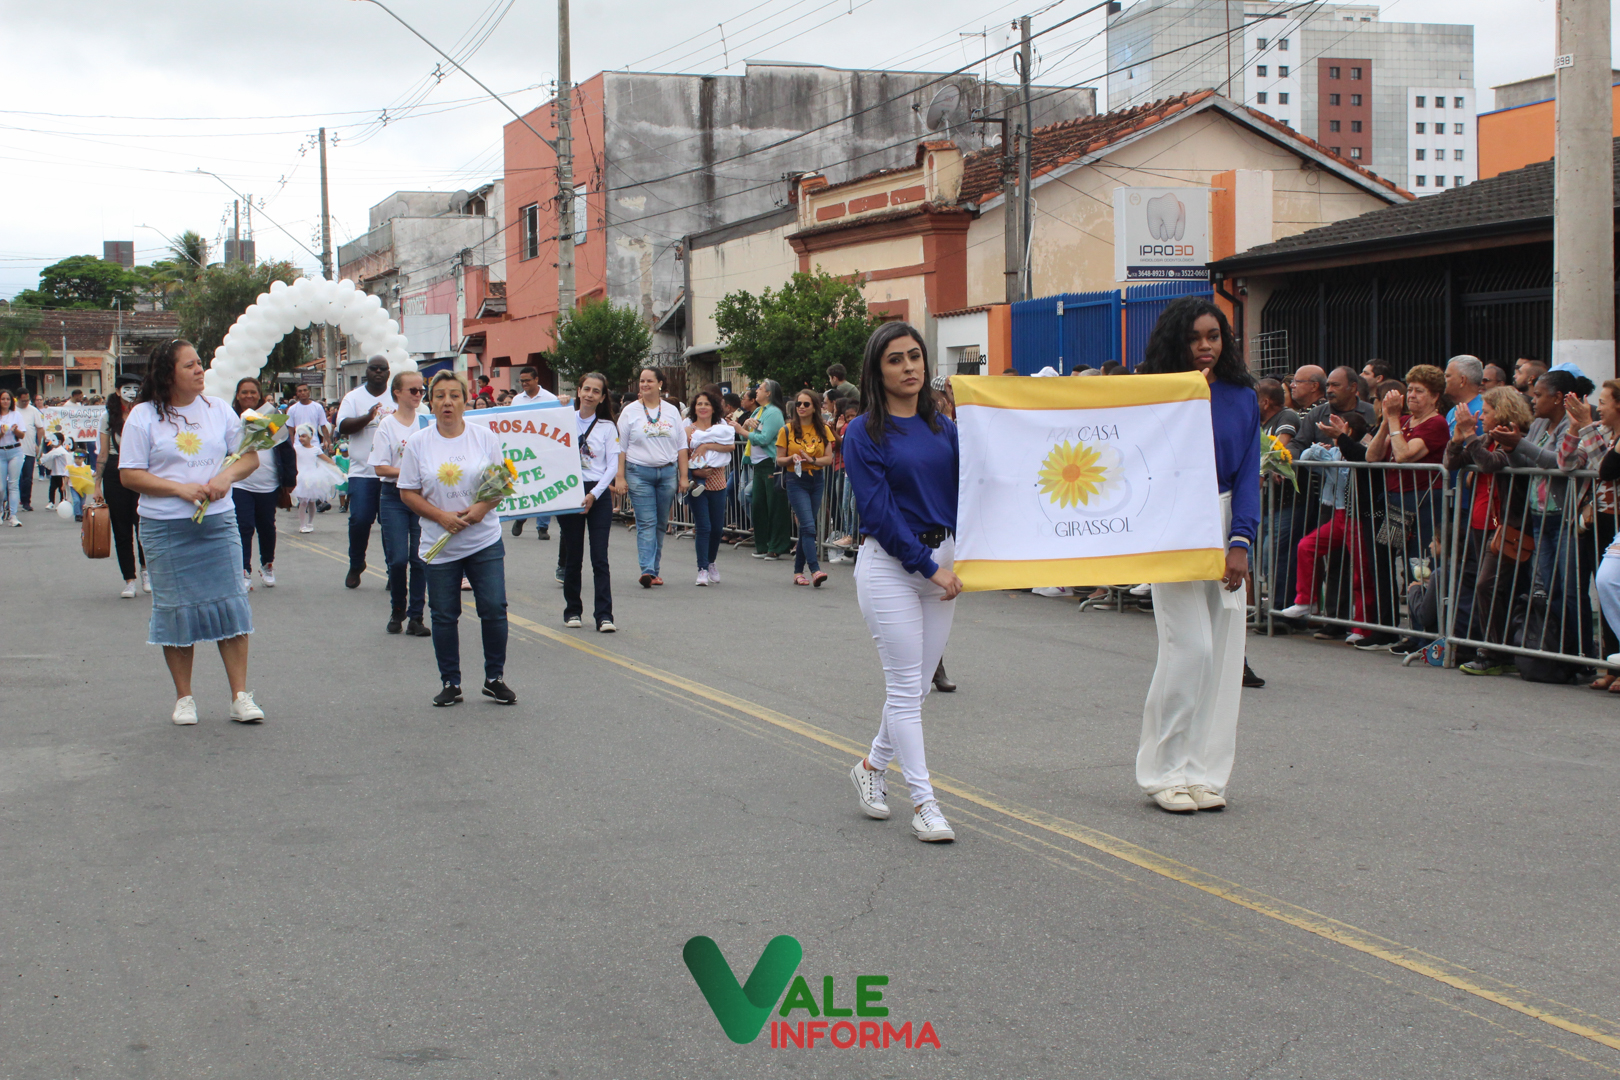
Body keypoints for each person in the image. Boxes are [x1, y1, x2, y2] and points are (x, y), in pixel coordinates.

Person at [1133, 297, 1258, 814]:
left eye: (1214, 336)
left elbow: (1248, 473)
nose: (1206, 346)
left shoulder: (1242, 396)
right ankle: (1163, 772)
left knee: (1225, 657)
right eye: (1194, 338)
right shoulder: (1153, 394)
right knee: (1191, 649)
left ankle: (1204, 772)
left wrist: (1241, 541)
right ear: (1176, 342)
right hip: (1174, 523)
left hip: (1226, 521)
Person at [842, 322, 960, 843]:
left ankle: (872, 766)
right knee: (905, 690)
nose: (909, 366)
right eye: (895, 359)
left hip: (943, 564)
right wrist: (928, 567)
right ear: (877, 370)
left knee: (916, 690)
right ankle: (924, 803)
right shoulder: (863, 432)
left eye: (915, 356)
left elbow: (975, 490)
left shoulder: (945, 427)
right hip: (892, 567)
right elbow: (879, 513)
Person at [117, 339, 264, 726]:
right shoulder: (143, 416)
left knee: (231, 604)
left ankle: (240, 696)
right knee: (176, 612)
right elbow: (129, 474)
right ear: (168, 375)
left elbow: (249, 457)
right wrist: (178, 489)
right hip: (164, 528)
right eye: (190, 365)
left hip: (218, 524)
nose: (200, 370)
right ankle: (184, 698)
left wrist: (225, 477)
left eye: (200, 363)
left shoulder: (219, 410)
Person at [396, 371, 516, 707]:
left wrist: (479, 510)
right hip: (440, 543)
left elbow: (500, 484)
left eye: (454, 395)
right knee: (444, 614)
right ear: (430, 403)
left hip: (483, 539)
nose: (447, 402)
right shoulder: (419, 443)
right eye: (440, 396)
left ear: (465, 401)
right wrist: (441, 517)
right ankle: (451, 682)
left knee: (494, 608)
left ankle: (494, 678)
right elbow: (407, 492)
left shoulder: (484, 437)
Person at [1446, 387, 1534, 675]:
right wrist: (1458, 438)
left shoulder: (1514, 437)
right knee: (1486, 587)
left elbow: (1490, 463)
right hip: (1480, 523)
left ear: (1503, 411)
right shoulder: (1486, 438)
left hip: (1507, 527)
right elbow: (1451, 464)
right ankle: (1493, 648)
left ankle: (1493, 652)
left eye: (1485, 411)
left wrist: (1470, 436)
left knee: (1488, 586)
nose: (1480, 416)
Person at [1366, 365, 1450, 653]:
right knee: (1395, 561)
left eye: (1419, 391)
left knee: (1421, 566)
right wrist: (1386, 421)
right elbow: (1372, 456)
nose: (1411, 395)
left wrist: (1392, 419)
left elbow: (1403, 455)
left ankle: (1423, 634)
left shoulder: (1436, 424)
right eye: (1410, 389)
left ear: (1435, 396)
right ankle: (1400, 629)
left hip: (1423, 501)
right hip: (1397, 501)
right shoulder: (1401, 421)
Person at [1560, 380, 1620, 684]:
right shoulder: (1600, 431)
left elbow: (1604, 469)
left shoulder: (1599, 432)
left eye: (1605, 402)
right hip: (1598, 522)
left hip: (1616, 521)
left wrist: (1585, 426)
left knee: (1613, 588)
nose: (1599, 408)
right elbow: (1566, 463)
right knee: (1605, 592)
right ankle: (1612, 665)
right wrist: (1575, 429)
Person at [368, 369, 432, 638]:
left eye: (421, 390)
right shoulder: (387, 425)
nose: (418, 395)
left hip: (421, 496)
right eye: (413, 390)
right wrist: (409, 472)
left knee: (419, 558)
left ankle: (416, 616)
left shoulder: (426, 421)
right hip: (393, 496)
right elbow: (380, 467)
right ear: (397, 393)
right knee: (397, 559)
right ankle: (398, 609)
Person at [613, 366, 690, 588]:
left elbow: (681, 446)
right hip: (639, 472)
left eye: (649, 381)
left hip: (667, 472)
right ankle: (647, 570)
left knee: (660, 523)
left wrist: (683, 477)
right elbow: (620, 447)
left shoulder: (671, 411)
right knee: (646, 521)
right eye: (642, 381)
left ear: (660, 384)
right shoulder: (629, 411)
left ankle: (654, 570)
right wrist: (620, 476)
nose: (645, 385)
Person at [561, 372, 620, 631]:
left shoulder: (607, 427)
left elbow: (611, 466)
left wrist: (594, 494)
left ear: (602, 397)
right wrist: (558, 405)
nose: (590, 395)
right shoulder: (564, 418)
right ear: (578, 391)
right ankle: (572, 610)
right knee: (573, 556)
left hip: (598, 492)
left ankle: (604, 615)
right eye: (586, 389)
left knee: (600, 557)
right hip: (570, 491)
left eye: (596, 391)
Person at [335, 356, 395, 590]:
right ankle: (356, 563)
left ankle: (393, 570)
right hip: (363, 472)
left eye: (383, 369)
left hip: (392, 472)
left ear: (388, 373)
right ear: (366, 372)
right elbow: (342, 427)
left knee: (391, 525)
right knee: (359, 520)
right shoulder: (353, 397)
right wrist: (368, 417)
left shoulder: (396, 396)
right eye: (373, 368)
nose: (378, 372)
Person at [94, 379, 150, 597]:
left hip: (140, 470)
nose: (131, 392)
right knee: (121, 528)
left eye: (135, 389)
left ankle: (146, 571)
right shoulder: (107, 417)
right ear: (118, 392)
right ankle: (129, 579)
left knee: (143, 524)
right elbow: (103, 453)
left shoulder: (144, 413)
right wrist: (97, 485)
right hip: (115, 471)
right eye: (126, 389)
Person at [229, 378, 284, 592]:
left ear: (259, 394)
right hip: (240, 483)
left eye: (253, 392)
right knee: (243, 526)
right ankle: (244, 570)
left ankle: (267, 564)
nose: (249, 396)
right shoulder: (229, 417)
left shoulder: (270, 415)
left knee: (267, 527)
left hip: (267, 483)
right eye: (244, 392)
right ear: (237, 395)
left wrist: (289, 479)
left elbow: (284, 446)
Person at [778, 388, 835, 587]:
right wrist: (791, 458)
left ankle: (797, 572)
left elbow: (828, 458)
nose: (801, 407)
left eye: (806, 404)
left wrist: (813, 460)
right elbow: (779, 459)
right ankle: (815, 569)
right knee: (809, 526)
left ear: (814, 407)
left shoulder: (823, 430)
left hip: (816, 479)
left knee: (806, 527)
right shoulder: (787, 430)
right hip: (796, 479)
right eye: (798, 404)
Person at [685, 386, 734, 586]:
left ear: (713, 407)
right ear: (694, 408)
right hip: (696, 485)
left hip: (718, 483)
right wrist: (694, 473)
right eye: (699, 404)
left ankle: (711, 562)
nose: (703, 407)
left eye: (706, 404)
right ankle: (702, 568)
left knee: (716, 528)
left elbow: (731, 446)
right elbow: (681, 457)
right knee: (703, 527)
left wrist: (706, 445)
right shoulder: (688, 430)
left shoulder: (720, 427)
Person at [510, 365, 561, 541]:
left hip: (544, 449)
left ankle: (542, 526)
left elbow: (557, 420)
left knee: (544, 485)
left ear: (536, 379)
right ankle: (521, 516)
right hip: (523, 450)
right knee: (523, 484)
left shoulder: (550, 398)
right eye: (521, 381)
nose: (524, 383)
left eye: (527, 380)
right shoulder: (517, 400)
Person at [741, 379, 790, 561]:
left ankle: (776, 546)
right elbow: (747, 437)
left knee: (774, 505)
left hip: (770, 462)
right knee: (758, 505)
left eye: (760, 389)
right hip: (757, 464)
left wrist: (743, 431)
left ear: (769, 393)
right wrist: (744, 427)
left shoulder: (774, 412)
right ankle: (762, 545)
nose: (757, 391)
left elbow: (764, 438)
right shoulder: (758, 411)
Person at [291, 425, 339, 532]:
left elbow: (328, 460)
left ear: (310, 437)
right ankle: (302, 525)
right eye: (299, 436)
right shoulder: (296, 449)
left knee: (312, 501)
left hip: (312, 478)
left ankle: (310, 523)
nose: (301, 438)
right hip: (301, 478)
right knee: (303, 501)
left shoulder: (316, 450)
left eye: (303, 436)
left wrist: (336, 469)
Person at [13, 388, 44, 512]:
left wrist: (40, 446)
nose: (26, 403)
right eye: (23, 400)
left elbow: (40, 428)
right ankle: (11, 501)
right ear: (17, 399)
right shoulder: (12, 410)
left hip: (29, 448)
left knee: (27, 477)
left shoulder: (33, 411)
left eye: (28, 400)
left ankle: (26, 501)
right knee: (14, 478)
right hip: (14, 449)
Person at [0, 390, 25, 525]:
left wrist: (15, 430)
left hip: (15, 451)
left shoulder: (16, 415)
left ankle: (13, 515)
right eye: (3, 399)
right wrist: (1, 433)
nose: (5, 401)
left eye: (8, 399)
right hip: (1, 452)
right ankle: (1, 511)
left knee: (13, 484)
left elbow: (22, 435)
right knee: (1, 487)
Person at [285, 383, 329, 447]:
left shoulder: (318, 407)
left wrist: (329, 443)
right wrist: (293, 446)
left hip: (314, 444)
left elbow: (323, 427)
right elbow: (290, 430)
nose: (303, 393)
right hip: (298, 445)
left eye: (305, 390)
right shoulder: (292, 409)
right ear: (297, 393)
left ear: (309, 391)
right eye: (300, 391)